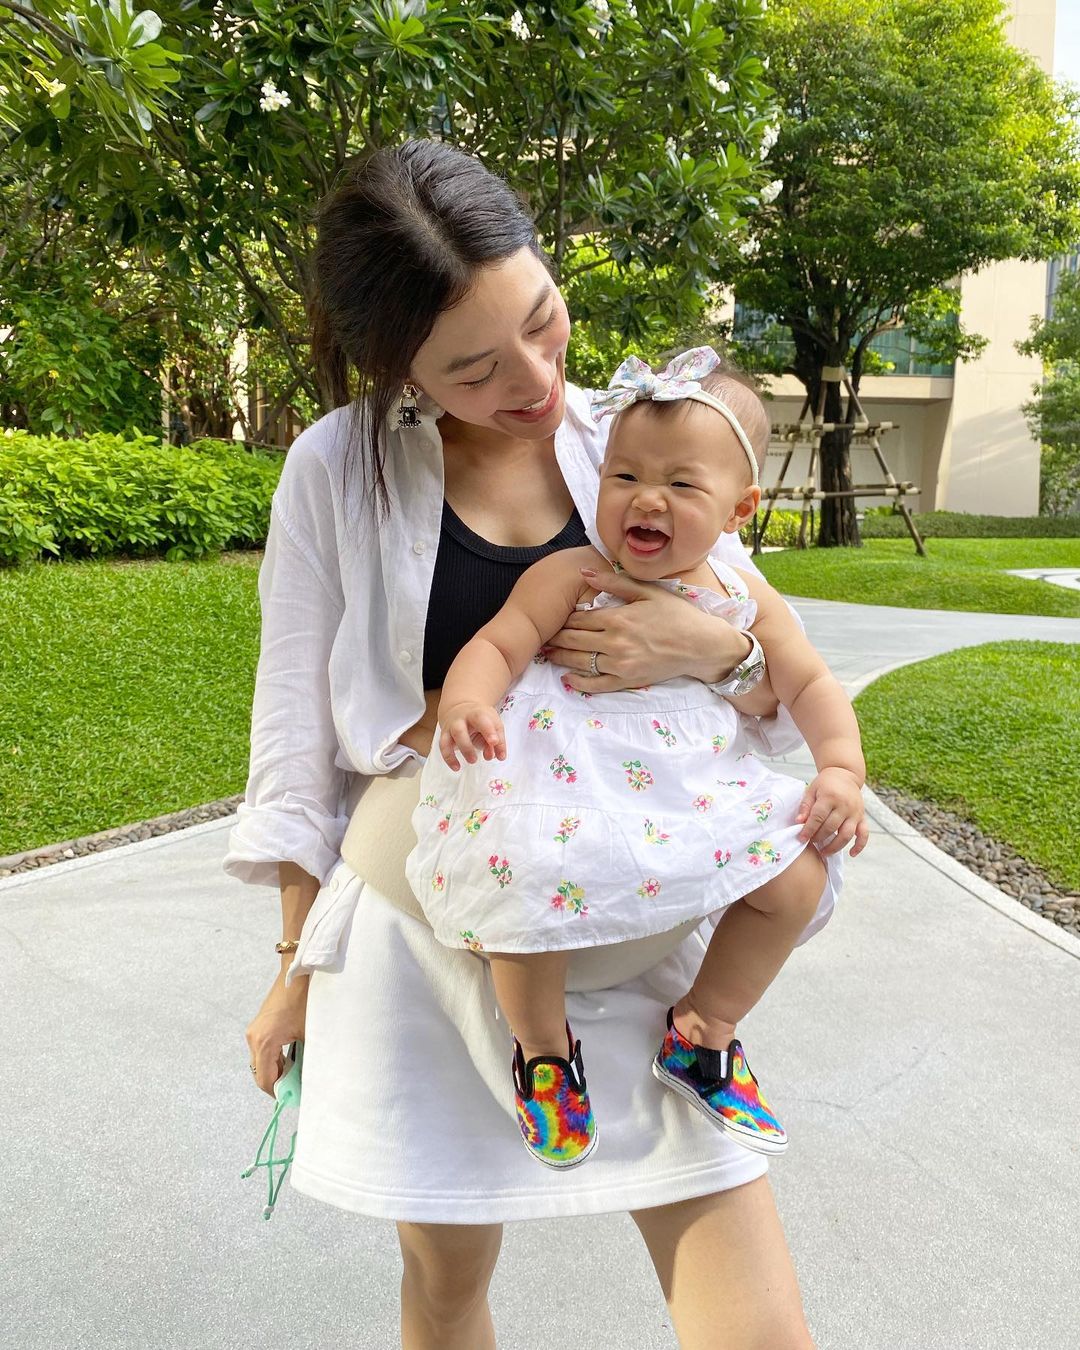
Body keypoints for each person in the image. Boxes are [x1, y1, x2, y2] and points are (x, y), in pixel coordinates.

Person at [228, 138, 823, 1349]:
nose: (539, 380)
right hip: (431, 930)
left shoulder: (640, 436)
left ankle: (696, 1048)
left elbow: (773, 668)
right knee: (448, 1287)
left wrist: (713, 656)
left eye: (544, 325)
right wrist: (293, 963)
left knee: (759, 1325)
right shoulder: (335, 468)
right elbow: (296, 736)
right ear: (397, 365)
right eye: (476, 368)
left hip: (637, 907)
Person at [405, 346, 868, 1170]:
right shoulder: (572, 571)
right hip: (567, 776)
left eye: (683, 485)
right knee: (521, 878)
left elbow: (808, 680)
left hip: (687, 786)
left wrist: (841, 769)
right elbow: (501, 642)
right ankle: (544, 1053)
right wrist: (471, 700)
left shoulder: (741, 596)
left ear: (739, 509)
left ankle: (704, 1030)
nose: (646, 499)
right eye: (624, 476)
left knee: (799, 874)